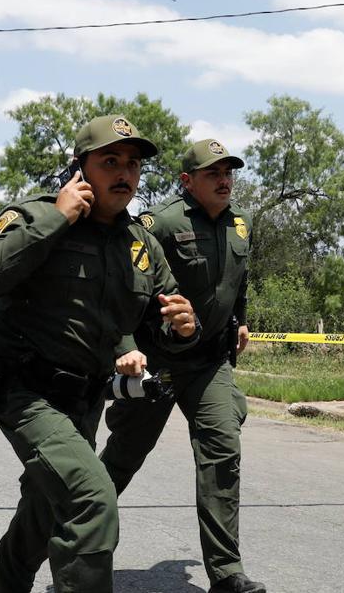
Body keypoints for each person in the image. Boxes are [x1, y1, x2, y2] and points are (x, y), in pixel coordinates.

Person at [0, 114, 200, 592]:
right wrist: (59, 216)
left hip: (86, 401)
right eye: (109, 161)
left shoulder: (142, 245)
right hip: (26, 392)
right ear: (80, 167)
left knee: (45, 503)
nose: (124, 174)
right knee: (92, 500)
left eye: (132, 164)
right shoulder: (38, 214)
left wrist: (183, 327)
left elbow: (161, 323)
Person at [100, 138, 264, 593]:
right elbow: (126, 285)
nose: (225, 180)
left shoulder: (241, 224)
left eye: (229, 172)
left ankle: (227, 573)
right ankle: (80, 548)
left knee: (222, 454)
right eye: (213, 173)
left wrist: (241, 321)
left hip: (209, 362)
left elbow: (239, 279)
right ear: (188, 181)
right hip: (156, 362)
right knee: (123, 458)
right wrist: (128, 347)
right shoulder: (161, 223)